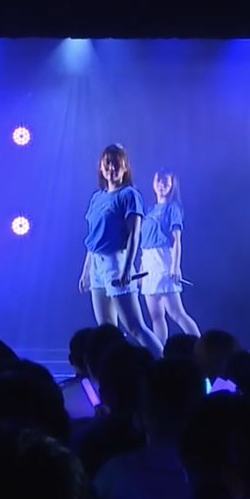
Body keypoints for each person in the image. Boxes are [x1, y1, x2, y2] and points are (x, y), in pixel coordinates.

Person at [78, 145, 161, 356]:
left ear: (125, 168)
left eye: (116, 164)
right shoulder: (97, 197)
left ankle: (164, 364)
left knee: (135, 326)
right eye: (107, 164)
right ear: (101, 168)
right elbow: (93, 238)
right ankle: (114, 369)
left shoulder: (129, 195)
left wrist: (126, 269)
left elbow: (134, 235)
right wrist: (86, 271)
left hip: (117, 262)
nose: (111, 168)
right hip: (97, 264)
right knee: (106, 329)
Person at [138, 169, 201, 343]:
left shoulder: (173, 208)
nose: (162, 185)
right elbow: (144, 243)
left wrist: (175, 267)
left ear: (172, 185)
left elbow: (177, 240)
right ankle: (160, 352)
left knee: (177, 312)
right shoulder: (149, 210)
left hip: (164, 260)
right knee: (156, 315)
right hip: (148, 263)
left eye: (166, 181)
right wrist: (141, 268)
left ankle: (201, 346)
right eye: (158, 180)